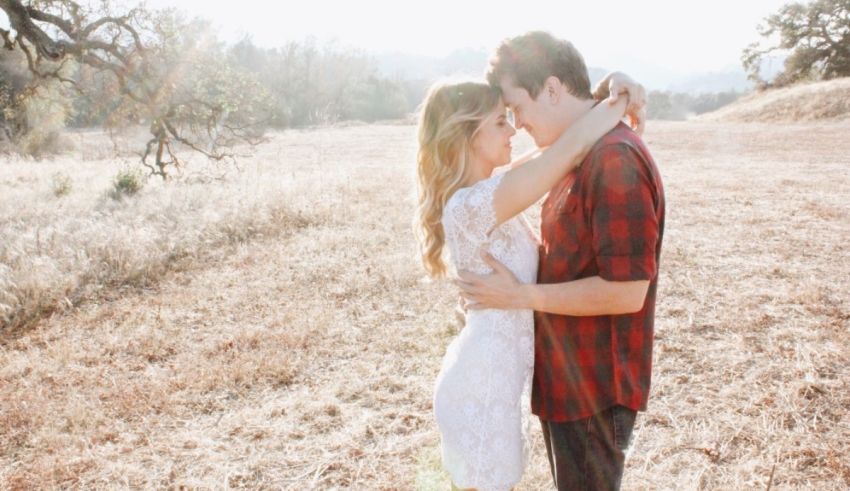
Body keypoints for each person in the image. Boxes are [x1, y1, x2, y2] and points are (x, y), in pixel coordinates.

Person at [414, 69, 644, 490]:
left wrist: (613, 83)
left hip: (498, 385)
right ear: (467, 137)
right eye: (501, 122)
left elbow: (558, 142)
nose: (513, 130)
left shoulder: (491, 189)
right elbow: (570, 148)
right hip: (481, 388)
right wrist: (620, 102)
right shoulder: (471, 205)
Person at [455, 31, 666, 491]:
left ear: (551, 89)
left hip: (593, 389)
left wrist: (519, 296)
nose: (517, 124)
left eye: (517, 108)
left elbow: (627, 292)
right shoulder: (576, 151)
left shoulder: (614, 160)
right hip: (566, 384)